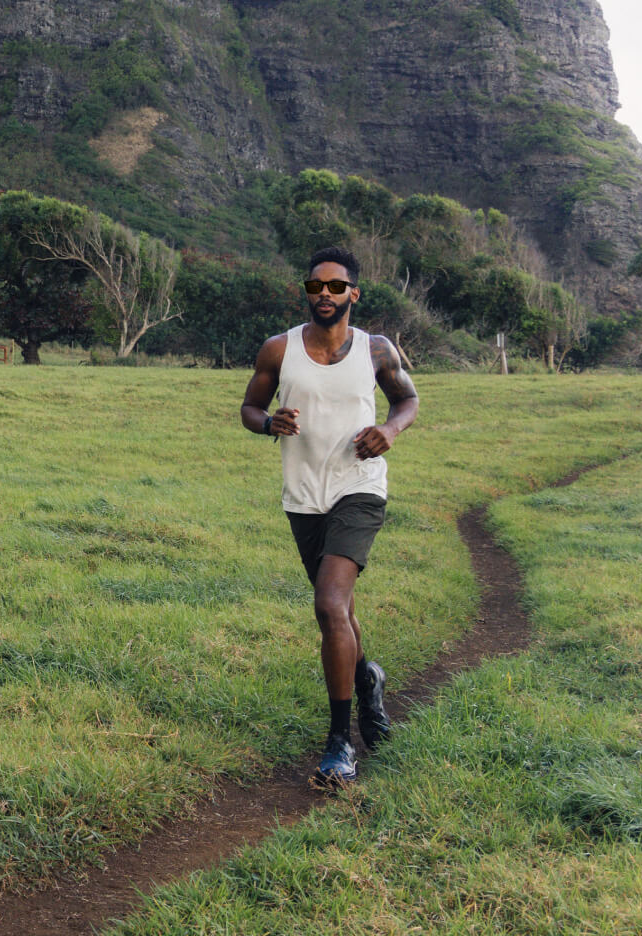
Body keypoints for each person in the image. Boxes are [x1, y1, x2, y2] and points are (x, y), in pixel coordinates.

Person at [238, 245, 420, 788]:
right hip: (304, 497)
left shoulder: (377, 350)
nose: (325, 294)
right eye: (316, 286)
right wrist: (270, 423)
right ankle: (367, 683)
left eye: (335, 286)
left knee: (329, 604)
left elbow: (407, 401)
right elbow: (248, 409)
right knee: (341, 613)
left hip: (359, 490)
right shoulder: (279, 349)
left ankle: (340, 742)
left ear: (353, 294)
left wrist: (388, 431)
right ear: (307, 292)